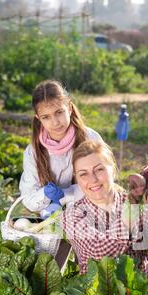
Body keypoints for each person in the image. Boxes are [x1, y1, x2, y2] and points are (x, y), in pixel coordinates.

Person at [62, 140, 148, 278]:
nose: (92, 179)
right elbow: (99, 254)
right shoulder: (72, 216)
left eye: (99, 169)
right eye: (83, 174)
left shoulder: (138, 203)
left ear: (113, 169)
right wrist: (132, 209)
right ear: (77, 178)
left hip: (142, 294)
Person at [19, 80, 103, 214]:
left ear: (69, 108)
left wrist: (66, 195)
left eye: (59, 112)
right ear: (38, 118)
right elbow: (28, 197)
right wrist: (45, 195)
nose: (55, 122)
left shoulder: (90, 139)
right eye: (46, 117)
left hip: (91, 209)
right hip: (50, 215)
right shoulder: (33, 152)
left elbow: (103, 181)